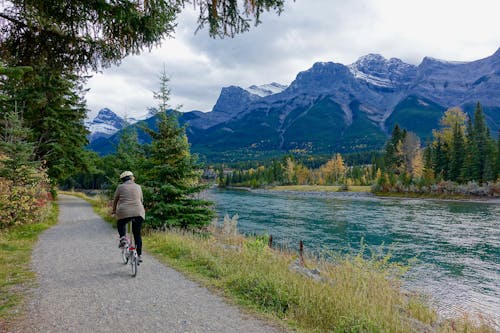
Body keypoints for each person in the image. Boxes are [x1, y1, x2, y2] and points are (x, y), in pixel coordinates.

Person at [112, 171, 145, 262]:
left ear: (123, 180)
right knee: (137, 234)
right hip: (138, 212)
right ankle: (139, 255)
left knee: (120, 224)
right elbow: (141, 200)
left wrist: (114, 211)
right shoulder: (138, 187)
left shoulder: (120, 187)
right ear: (132, 178)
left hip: (124, 212)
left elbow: (115, 200)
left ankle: (123, 238)